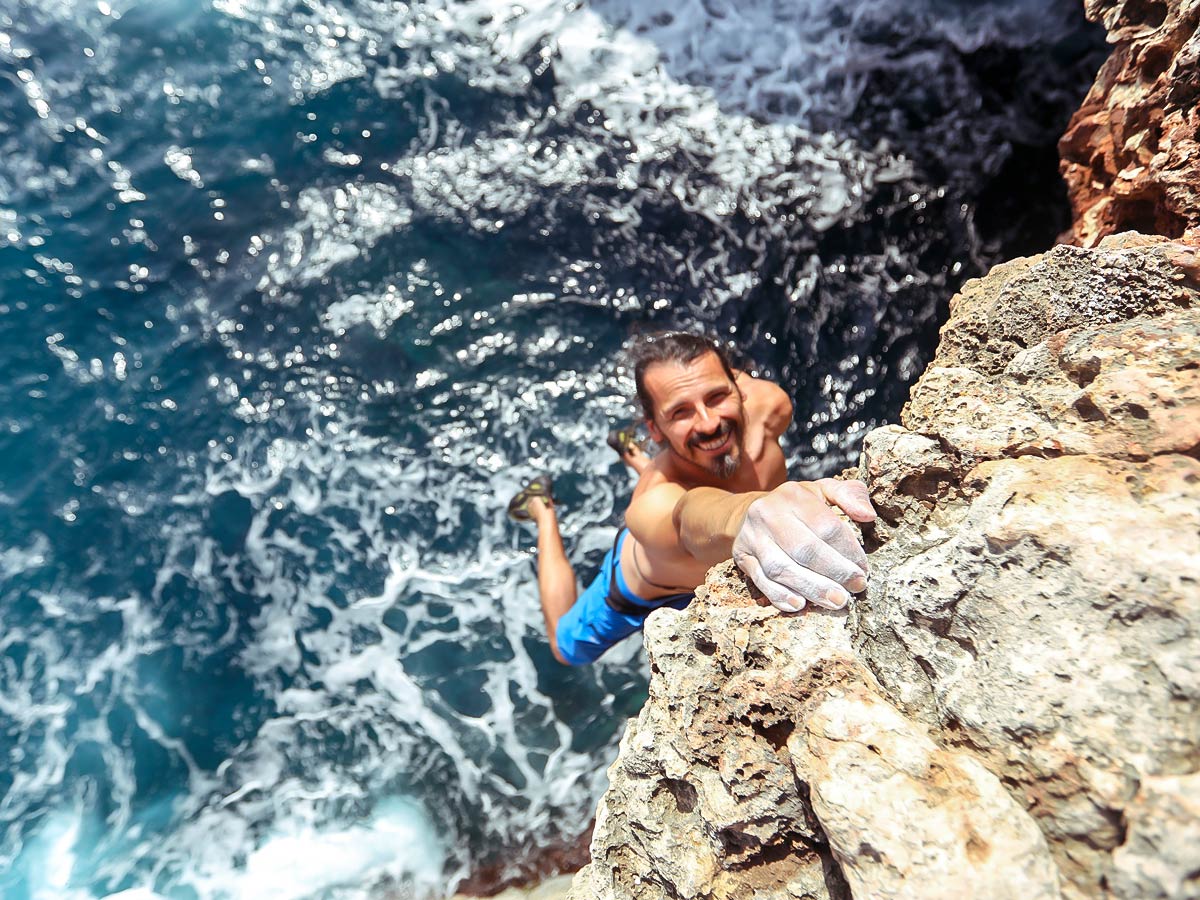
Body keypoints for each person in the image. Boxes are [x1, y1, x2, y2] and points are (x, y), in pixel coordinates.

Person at [508, 332, 877, 666]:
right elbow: (689, 514)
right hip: (641, 589)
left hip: (712, 571)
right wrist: (749, 512)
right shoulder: (651, 505)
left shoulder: (769, 407)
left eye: (716, 396)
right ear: (655, 428)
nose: (708, 422)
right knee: (565, 649)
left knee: (695, 455)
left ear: (738, 387)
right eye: (680, 412)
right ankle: (543, 509)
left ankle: (634, 454)